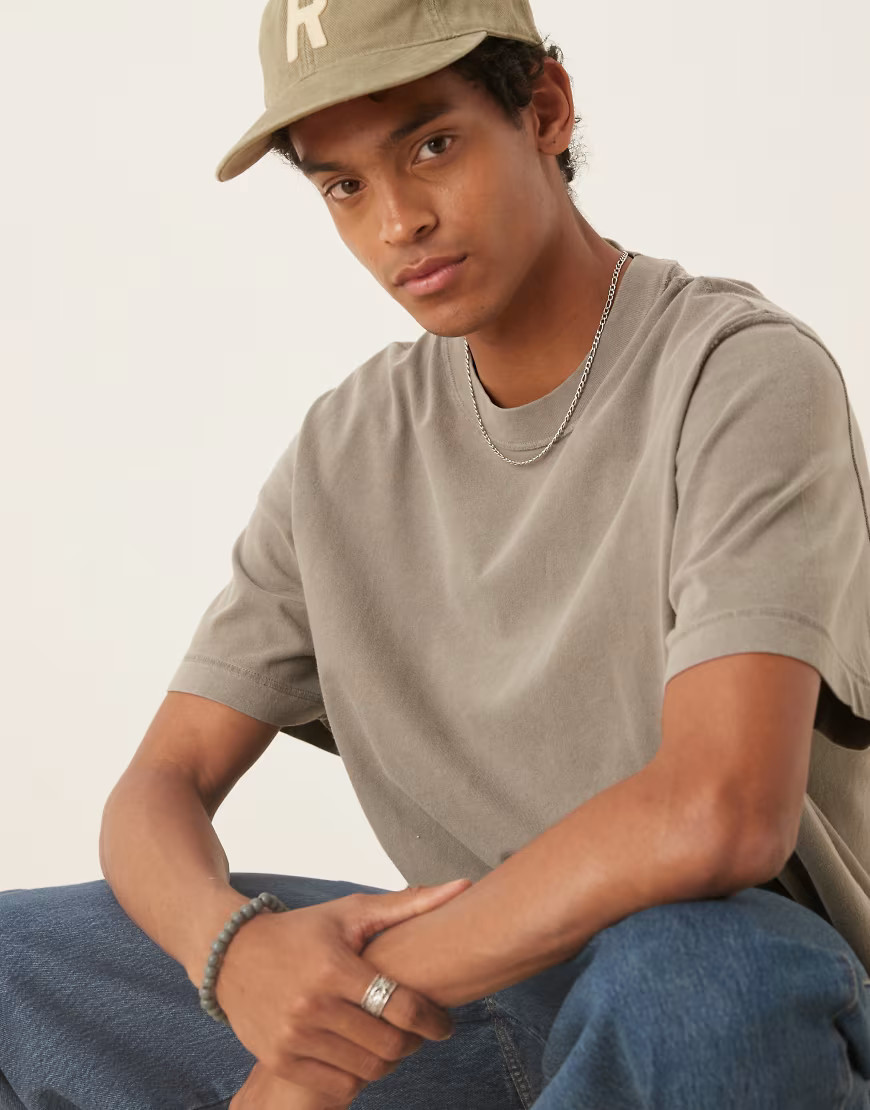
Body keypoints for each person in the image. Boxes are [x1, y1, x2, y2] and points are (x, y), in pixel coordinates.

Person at [2, 0, 870, 1106]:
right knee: (12, 964)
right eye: (343, 186)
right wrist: (237, 955)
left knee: (702, 975)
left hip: (714, 1005)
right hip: (477, 1008)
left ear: (544, 110)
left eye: (432, 146)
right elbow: (157, 788)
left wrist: (325, 1028)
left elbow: (720, 811)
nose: (398, 221)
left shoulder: (737, 374)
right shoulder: (345, 450)